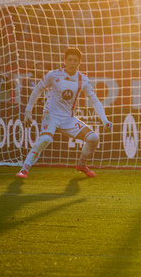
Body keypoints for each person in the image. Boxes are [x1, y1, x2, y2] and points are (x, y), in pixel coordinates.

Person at [16, 48, 112, 179]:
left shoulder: (82, 79)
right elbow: (38, 89)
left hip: (68, 119)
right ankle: (24, 169)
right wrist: (28, 110)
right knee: (45, 139)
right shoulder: (53, 75)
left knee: (93, 138)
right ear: (65, 61)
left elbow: (94, 100)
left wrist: (104, 119)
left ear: (79, 62)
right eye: (70, 60)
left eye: (75, 60)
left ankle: (81, 165)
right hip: (51, 115)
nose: (72, 63)